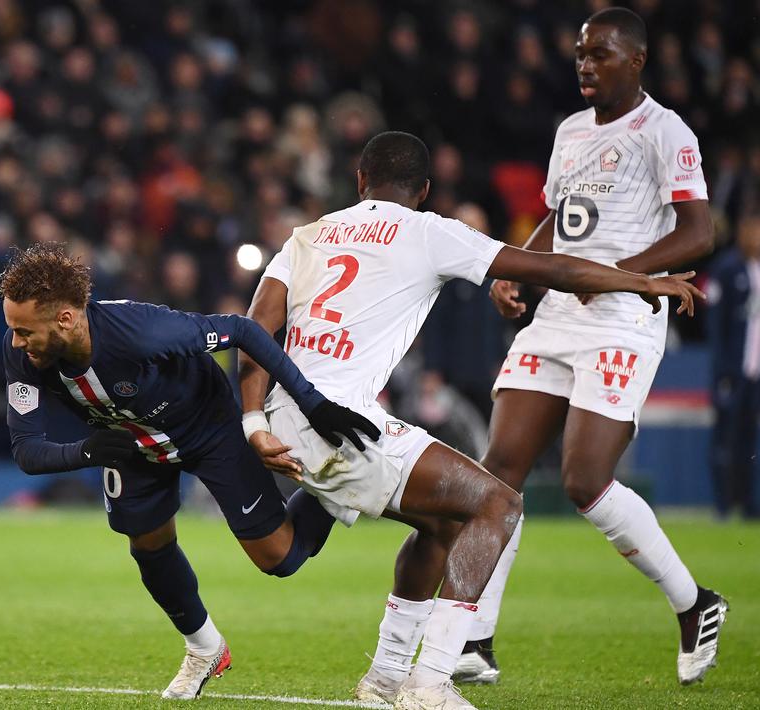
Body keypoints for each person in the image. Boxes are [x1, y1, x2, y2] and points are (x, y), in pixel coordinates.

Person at [239, 130, 703, 710]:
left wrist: (253, 422)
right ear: (425, 190)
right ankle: (431, 681)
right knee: (498, 504)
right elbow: (553, 268)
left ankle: (384, 681)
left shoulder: (307, 235)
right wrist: (641, 280)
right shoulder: (429, 230)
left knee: (440, 524)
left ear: (359, 180)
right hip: (339, 423)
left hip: (284, 414)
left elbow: (256, 329)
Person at [459, 7, 725, 687]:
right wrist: (517, 267)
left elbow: (700, 230)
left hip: (621, 319)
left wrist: (625, 277)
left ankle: (694, 604)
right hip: (558, 313)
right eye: (580, 54)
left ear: (634, 60)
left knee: (583, 480)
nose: (585, 64)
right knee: (497, 475)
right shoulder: (570, 131)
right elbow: (560, 217)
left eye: (600, 54)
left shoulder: (665, 131)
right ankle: (475, 642)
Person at [0, 242, 379, 700]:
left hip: (207, 427)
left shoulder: (141, 333)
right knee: (147, 542)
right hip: (132, 443)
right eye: (13, 331)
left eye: (24, 331)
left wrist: (313, 404)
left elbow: (242, 329)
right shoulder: (21, 352)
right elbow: (26, 450)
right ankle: (204, 649)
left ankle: (331, 489)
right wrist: (89, 451)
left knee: (279, 559)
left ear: (65, 320)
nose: (16, 342)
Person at [707, 214, 760, 518]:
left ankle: (750, 505)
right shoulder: (726, 269)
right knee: (725, 439)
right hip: (732, 372)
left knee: (750, 442)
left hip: (755, 372)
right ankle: (723, 505)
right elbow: (716, 326)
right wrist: (722, 372)